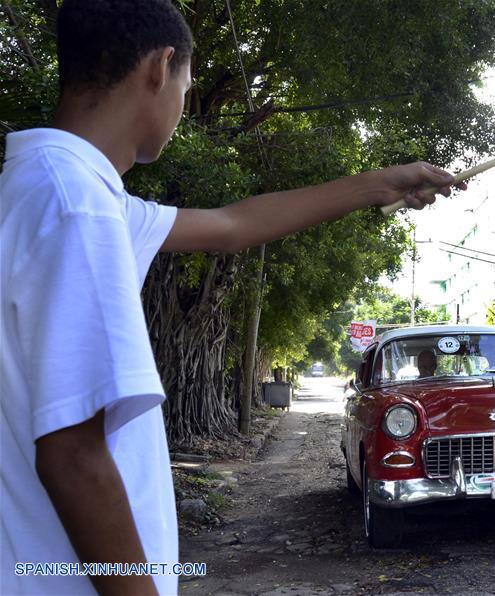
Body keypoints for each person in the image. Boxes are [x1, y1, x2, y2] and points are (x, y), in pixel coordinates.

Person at [0, 1, 463, 594]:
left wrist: (381, 182)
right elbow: (71, 452)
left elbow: (230, 224)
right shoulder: (75, 204)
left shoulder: (54, 188)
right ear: (160, 67)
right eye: (188, 85)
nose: (182, 107)